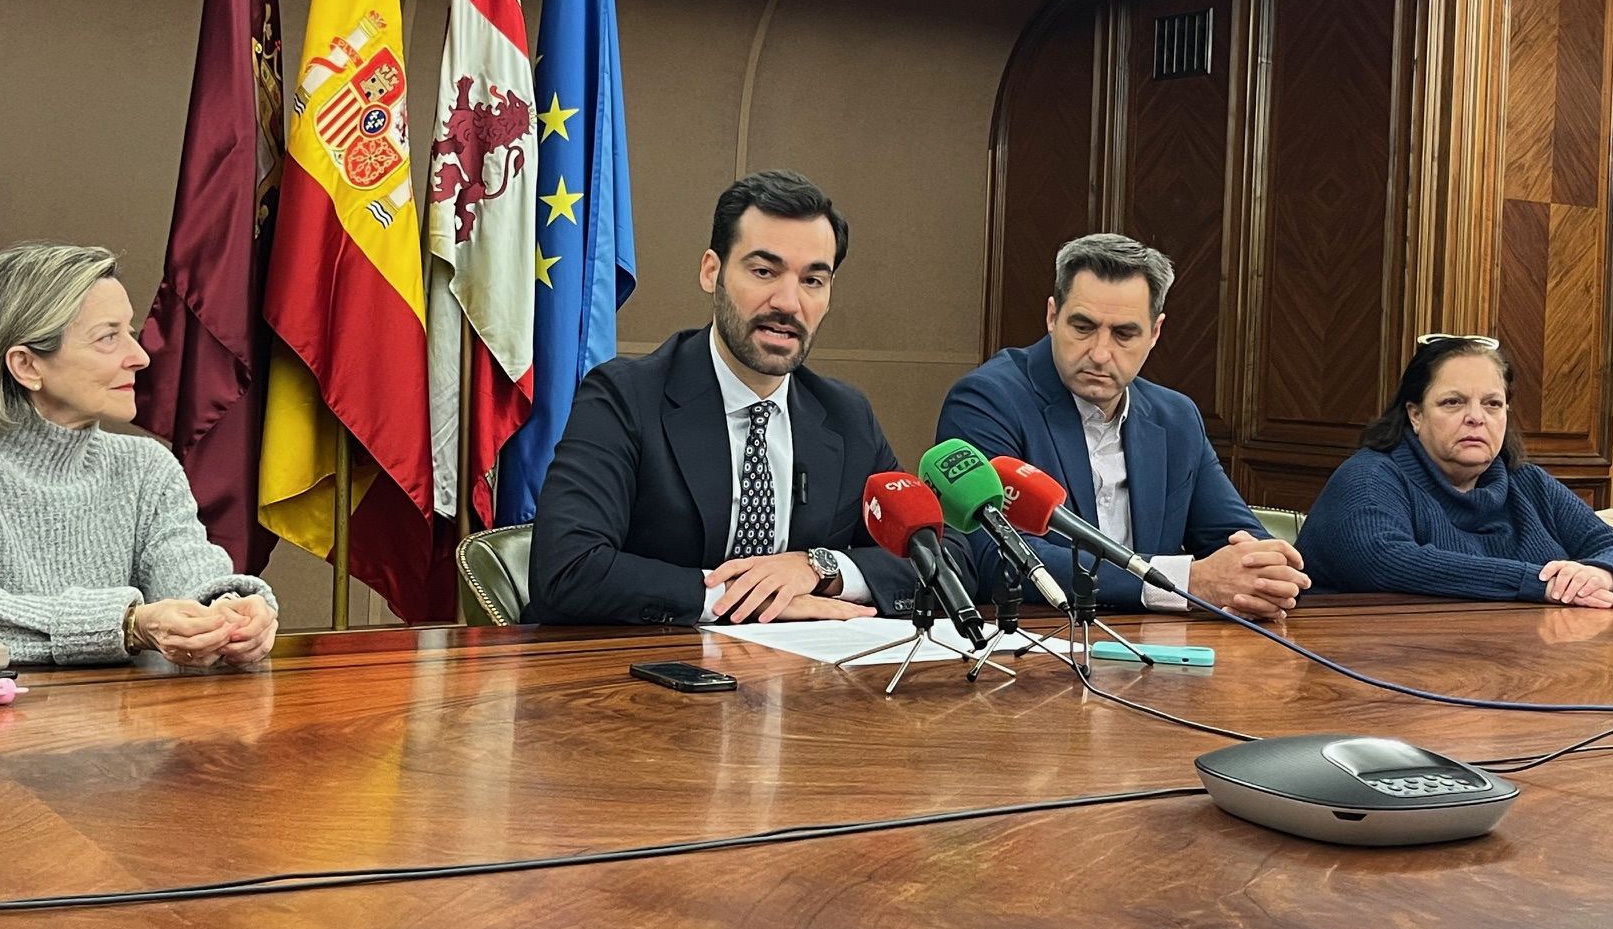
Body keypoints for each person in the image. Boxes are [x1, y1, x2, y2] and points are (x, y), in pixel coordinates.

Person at [528, 171, 948, 626]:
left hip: (799, 682)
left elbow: (942, 557)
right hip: (636, 674)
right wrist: (743, 600)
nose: (788, 303)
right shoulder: (624, 396)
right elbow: (567, 567)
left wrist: (820, 568)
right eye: (764, 271)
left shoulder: (845, 416)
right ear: (713, 271)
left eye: (813, 281)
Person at [0, 243, 280, 666]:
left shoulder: (146, 468)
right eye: (108, 337)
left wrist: (230, 611)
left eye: (129, 331)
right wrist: (124, 624)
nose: (140, 356)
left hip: (123, 725)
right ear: (27, 366)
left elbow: (191, 578)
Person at [937, 233, 1308, 621]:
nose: (1099, 353)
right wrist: (1186, 581)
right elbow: (996, 556)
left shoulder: (1175, 416)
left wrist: (1265, 572)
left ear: (1155, 333)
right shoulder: (988, 401)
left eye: (1123, 334)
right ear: (1052, 316)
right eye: (1082, 327)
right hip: (1041, 640)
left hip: (1159, 646)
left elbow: (1235, 533)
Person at [1297, 334, 1613, 604]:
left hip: (1517, 666)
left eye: (1492, 404)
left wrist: (1600, 575)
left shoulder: (1528, 483)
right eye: (1453, 402)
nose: (1476, 417)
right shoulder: (1370, 477)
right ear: (1415, 415)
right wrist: (1538, 583)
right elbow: (1382, 560)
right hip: (1382, 676)